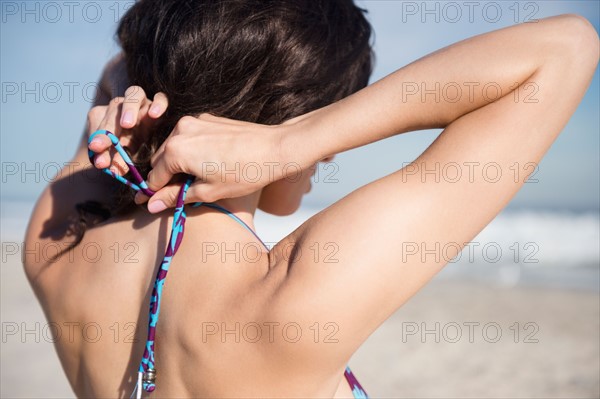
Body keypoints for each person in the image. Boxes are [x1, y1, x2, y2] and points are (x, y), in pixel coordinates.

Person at [23, 0, 599, 396]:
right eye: (326, 114)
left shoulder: (56, 244)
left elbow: (123, 70)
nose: (327, 155)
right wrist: (290, 143)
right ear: (283, 118)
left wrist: (136, 118)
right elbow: (567, 48)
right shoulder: (293, 293)